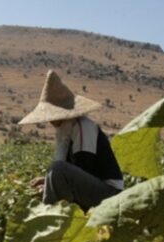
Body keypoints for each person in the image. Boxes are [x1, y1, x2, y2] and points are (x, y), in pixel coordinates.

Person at [18, 70, 123, 210]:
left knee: (57, 169)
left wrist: (51, 188)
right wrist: (48, 182)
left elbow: (86, 170)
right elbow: (76, 175)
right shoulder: (66, 132)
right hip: (96, 189)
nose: (51, 121)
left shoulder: (83, 127)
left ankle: (49, 217)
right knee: (53, 173)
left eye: (53, 115)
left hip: (110, 194)